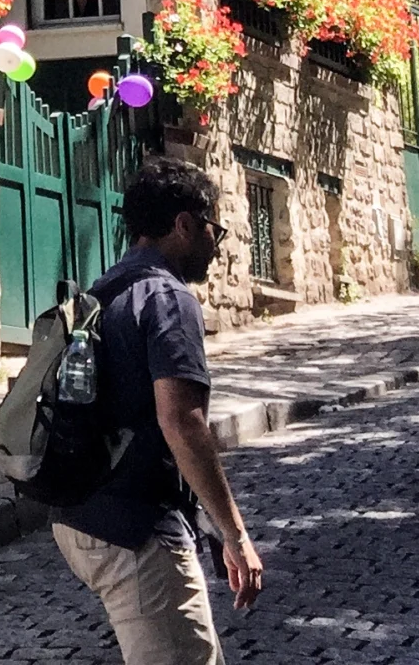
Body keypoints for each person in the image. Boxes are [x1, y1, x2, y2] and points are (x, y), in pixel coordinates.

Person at [53, 158, 265, 665]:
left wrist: (206, 521)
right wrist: (235, 535)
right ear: (185, 224)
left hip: (81, 515)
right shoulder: (169, 299)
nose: (218, 244)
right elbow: (183, 423)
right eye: (215, 229)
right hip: (134, 530)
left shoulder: (106, 290)